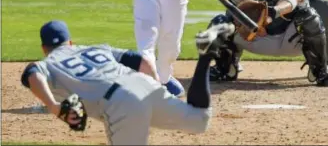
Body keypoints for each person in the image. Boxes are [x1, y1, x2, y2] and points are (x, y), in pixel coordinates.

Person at [21, 20, 235, 145]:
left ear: (43, 48)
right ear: (70, 42)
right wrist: (157, 91)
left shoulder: (49, 62)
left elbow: (32, 73)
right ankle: (206, 55)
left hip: (119, 102)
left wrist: (53, 106)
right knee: (199, 120)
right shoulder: (95, 48)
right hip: (143, 84)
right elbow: (140, 60)